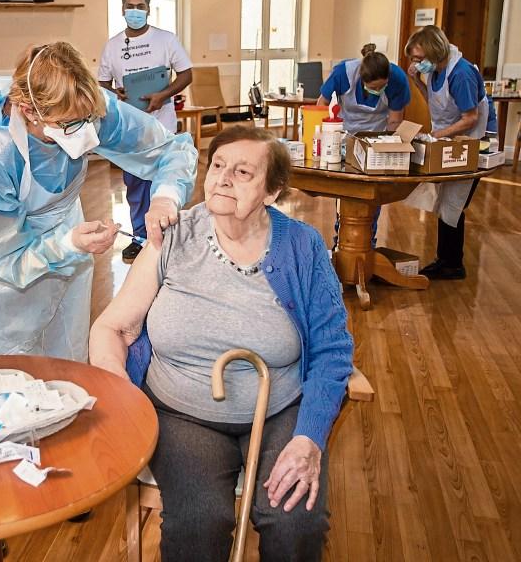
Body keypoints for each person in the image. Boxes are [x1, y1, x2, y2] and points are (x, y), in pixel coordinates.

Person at [89, 126, 353, 562]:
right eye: (217, 166)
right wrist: (120, 393)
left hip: (278, 411)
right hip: (182, 415)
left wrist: (309, 438)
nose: (223, 178)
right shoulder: (173, 236)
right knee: (200, 520)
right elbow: (112, 328)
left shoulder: (303, 247)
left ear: (271, 192)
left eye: (243, 171)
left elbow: (332, 352)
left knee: (294, 518)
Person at [0, 42, 197, 362]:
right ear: (30, 111)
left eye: (89, 120)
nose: (87, 133)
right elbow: (7, 261)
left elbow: (171, 150)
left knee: (66, 346)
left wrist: (166, 198)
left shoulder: (84, 106)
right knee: (9, 356)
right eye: (71, 125)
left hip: (67, 232)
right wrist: (67, 244)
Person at [98, 0, 193, 263]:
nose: (135, 11)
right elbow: (102, 82)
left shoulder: (166, 40)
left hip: (162, 128)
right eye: (131, 6)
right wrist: (115, 93)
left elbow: (186, 74)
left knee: (167, 183)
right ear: (122, 9)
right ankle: (140, 238)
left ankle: (169, 237)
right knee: (136, 188)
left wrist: (163, 95)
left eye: (140, 7)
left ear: (148, 9)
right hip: (130, 132)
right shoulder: (113, 46)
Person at [405, 25, 489, 280]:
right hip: (449, 137)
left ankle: (453, 263)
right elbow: (434, 100)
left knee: (454, 202)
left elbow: (470, 118)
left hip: (471, 139)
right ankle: (446, 259)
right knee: (445, 203)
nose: (417, 63)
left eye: (420, 59)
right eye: (414, 59)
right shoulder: (436, 70)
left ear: (435, 52)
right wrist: (417, 79)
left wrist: (436, 137)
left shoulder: (461, 74)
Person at [318, 43, 411, 248]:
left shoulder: (398, 80)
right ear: (362, 79)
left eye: (382, 87)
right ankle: (341, 239)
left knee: (372, 191)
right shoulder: (344, 73)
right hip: (346, 134)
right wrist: (324, 136)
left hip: (377, 137)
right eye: (373, 87)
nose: (378, 91)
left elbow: (395, 121)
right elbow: (321, 104)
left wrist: (390, 148)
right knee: (346, 189)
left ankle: (367, 242)